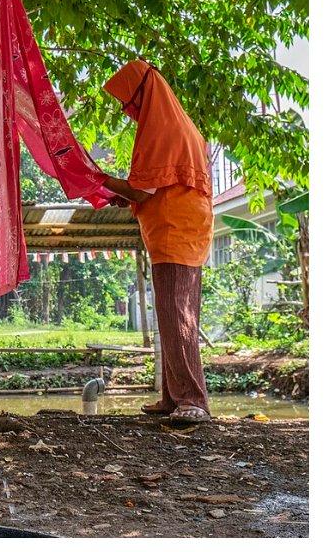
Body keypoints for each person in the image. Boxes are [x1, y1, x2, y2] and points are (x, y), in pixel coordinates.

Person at [100, 60, 214, 425]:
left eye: (126, 101)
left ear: (142, 93)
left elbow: (142, 190)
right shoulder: (176, 124)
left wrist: (101, 178)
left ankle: (192, 399)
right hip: (182, 227)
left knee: (176, 314)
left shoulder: (162, 128)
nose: (124, 110)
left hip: (174, 230)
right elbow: (156, 188)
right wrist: (128, 195)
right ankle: (172, 396)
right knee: (174, 313)